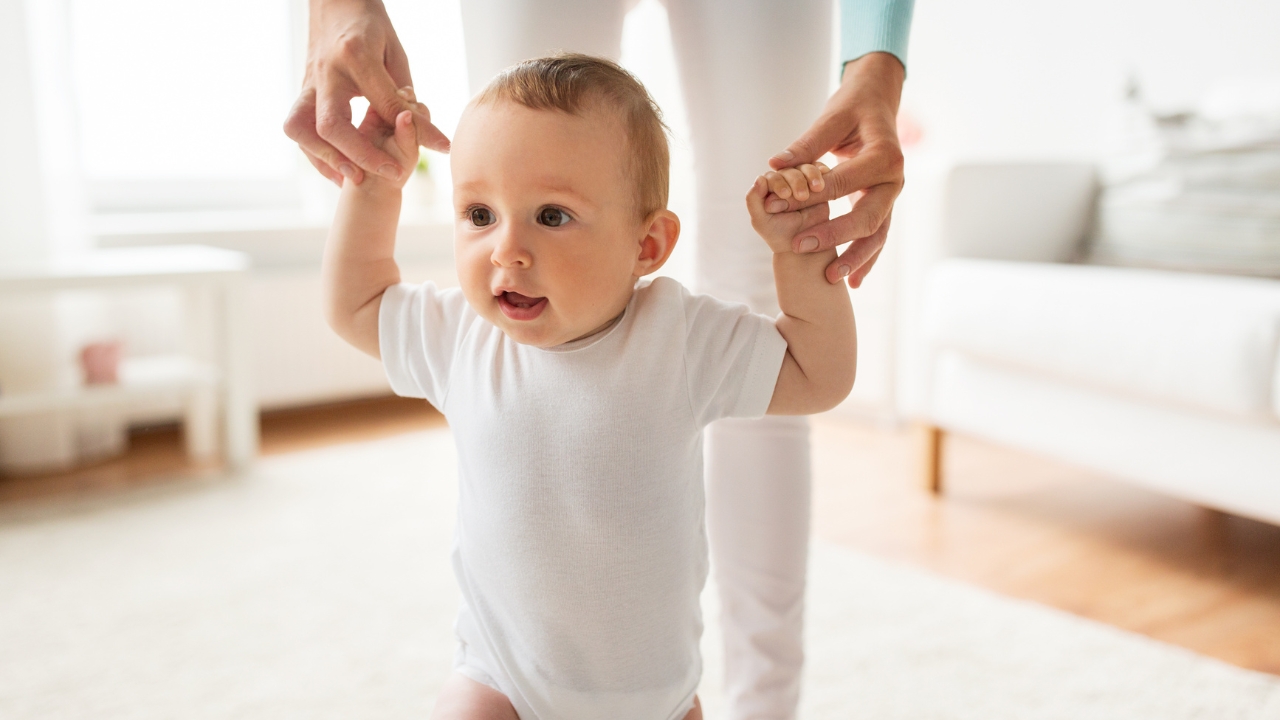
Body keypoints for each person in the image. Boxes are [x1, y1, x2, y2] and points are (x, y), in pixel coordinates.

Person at [288, 2, 912, 717]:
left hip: (655, 697)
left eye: (552, 216)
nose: (506, 249)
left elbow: (818, 376)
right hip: (503, 683)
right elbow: (356, 305)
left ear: (647, 246)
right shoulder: (460, 334)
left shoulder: (679, 338)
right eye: (479, 214)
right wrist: (373, 189)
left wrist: (799, 266)